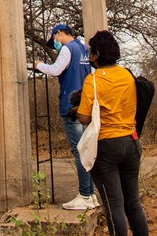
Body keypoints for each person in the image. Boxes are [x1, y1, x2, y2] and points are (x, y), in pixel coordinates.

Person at [76, 30, 149, 236]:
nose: (89, 56)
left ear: (97, 54)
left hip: (107, 146)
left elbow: (83, 117)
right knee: (133, 203)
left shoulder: (93, 80)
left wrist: (76, 108)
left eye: (91, 52)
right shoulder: (127, 74)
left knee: (114, 205)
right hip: (131, 142)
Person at [34, 23, 97, 210]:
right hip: (85, 104)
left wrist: (39, 65)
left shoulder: (67, 49)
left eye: (55, 40)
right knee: (87, 149)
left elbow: (55, 70)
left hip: (70, 106)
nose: (55, 44)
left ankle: (84, 195)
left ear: (59, 34)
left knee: (79, 151)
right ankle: (91, 194)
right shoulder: (85, 48)